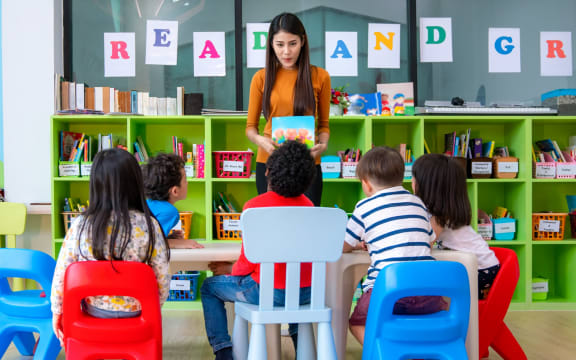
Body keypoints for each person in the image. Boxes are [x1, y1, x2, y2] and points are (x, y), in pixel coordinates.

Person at [200, 140, 316, 360]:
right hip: (306, 292)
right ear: (307, 177)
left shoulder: (254, 207)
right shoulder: (309, 206)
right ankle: (302, 348)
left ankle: (224, 351)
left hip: (265, 292)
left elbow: (246, 263)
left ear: (268, 172)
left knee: (208, 287)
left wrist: (229, 269)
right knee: (292, 292)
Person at [51, 148, 171, 345]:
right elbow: (162, 276)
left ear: (96, 185)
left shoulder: (81, 225)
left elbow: (62, 273)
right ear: (136, 184)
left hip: (94, 313)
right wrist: (154, 307)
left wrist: (57, 310)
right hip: (138, 313)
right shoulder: (149, 225)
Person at [343, 146, 447, 345]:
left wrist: (357, 245)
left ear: (366, 185)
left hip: (387, 292)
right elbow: (429, 238)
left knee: (358, 323)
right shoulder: (418, 203)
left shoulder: (364, 207)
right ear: (402, 177)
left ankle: (384, 353)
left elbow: (344, 245)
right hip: (428, 292)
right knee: (418, 321)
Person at [246, 12, 331, 207]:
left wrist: (323, 145)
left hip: (307, 164)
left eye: (292, 44)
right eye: (280, 44)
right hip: (269, 162)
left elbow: (324, 125)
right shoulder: (261, 78)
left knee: (307, 225)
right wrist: (261, 141)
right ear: (271, 44)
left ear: (302, 41)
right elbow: (250, 128)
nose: (286, 52)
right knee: (271, 224)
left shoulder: (321, 76)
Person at [412, 153, 500, 299]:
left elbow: (425, 244)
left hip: (480, 270)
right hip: (476, 266)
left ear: (428, 186)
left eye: (414, 178)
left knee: (424, 280)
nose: (412, 181)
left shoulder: (440, 215)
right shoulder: (439, 210)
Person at [143, 152, 203, 249]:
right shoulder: (169, 212)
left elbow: (149, 236)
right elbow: (149, 242)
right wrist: (177, 243)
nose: (187, 183)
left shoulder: (148, 203)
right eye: (185, 180)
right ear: (175, 191)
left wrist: (168, 238)